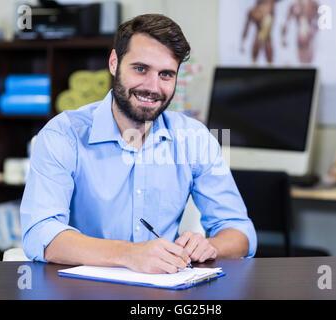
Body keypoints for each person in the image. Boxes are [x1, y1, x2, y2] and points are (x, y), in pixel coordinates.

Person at [21, 14, 257, 274]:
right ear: (114, 63)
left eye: (166, 74)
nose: (152, 87)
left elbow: (240, 231)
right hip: (81, 291)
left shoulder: (195, 138)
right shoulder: (62, 135)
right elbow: (40, 233)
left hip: (164, 293)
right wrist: (130, 254)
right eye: (141, 69)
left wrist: (211, 246)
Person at [241, 0, 282, 64]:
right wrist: (242, 42)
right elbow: (246, 28)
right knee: (255, 59)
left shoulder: (270, 4)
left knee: (269, 57)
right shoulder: (252, 11)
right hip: (257, 41)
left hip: (267, 41)